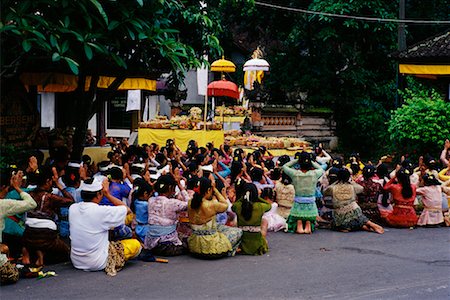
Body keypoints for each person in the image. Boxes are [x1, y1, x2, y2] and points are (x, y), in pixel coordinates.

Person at [69, 178, 141, 276]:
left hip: (76, 261)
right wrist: (107, 194)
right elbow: (127, 210)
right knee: (136, 245)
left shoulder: (72, 208)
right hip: (97, 262)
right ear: (99, 194)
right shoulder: (101, 211)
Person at [22, 166, 73, 267]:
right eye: (51, 182)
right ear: (47, 181)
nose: (52, 184)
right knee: (67, 253)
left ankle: (36, 253)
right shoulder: (49, 197)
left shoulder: (29, 194)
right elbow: (70, 200)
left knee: (34, 240)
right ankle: (41, 254)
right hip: (47, 235)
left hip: (28, 234)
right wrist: (59, 185)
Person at [188, 177, 242, 258]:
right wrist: (216, 190)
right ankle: (229, 251)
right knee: (238, 232)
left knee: (219, 226)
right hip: (211, 248)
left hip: (194, 246)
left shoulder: (190, 203)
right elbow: (225, 205)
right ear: (209, 190)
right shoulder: (211, 205)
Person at [0, 171, 37, 285]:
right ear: (3, 187)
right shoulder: (3, 204)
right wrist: (17, 187)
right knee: (13, 275)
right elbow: (31, 204)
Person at [324, 168, 384, 233]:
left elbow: (325, 192)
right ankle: (369, 224)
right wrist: (351, 181)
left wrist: (335, 182)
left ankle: (347, 228)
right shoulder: (353, 186)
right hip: (355, 212)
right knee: (356, 215)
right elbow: (361, 189)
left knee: (333, 224)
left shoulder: (332, 188)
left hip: (340, 218)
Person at [145, 175, 189, 256]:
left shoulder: (150, 200)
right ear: (170, 188)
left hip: (151, 245)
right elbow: (190, 203)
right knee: (189, 241)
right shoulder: (172, 203)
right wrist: (180, 186)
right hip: (167, 246)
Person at [282, 152, 324, 234]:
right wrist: (310, 161)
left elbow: (285, 166)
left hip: (298, 205)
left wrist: (297, 160)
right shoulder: (314, 174)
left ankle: (299, 224)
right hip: (311, 206)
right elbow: (321, 168)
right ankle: (308, 225)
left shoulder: (295, 173)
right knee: (309, 218)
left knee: (298, 218)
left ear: (299, 163)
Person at [232, 183, 271, 255]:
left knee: (234, 222)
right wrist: (257, 197)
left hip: (242, 241)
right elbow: (269, 205)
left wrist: (243, 197)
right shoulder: (260, 206)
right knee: (264, 221)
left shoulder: (238, 206)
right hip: (256, 243)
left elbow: (233, 206)